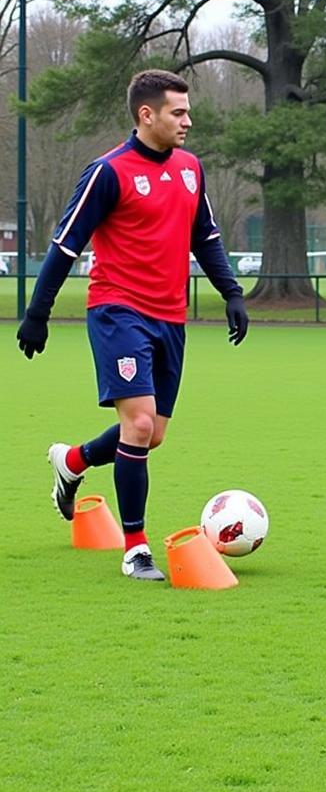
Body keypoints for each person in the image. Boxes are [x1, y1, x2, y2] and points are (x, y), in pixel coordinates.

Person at [16, 69, 249, 581]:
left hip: (171, 317)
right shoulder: (108, 171)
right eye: (178, 112)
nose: (188, 121)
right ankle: (136, 548)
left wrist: (231, 293)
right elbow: (64, 245)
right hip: (118, 311)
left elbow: (205, 238)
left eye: (188, 111)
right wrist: (38, 313)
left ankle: (73, 461)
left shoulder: (191, 169)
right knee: (139, 424)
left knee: (150, 435)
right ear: (147, 115)